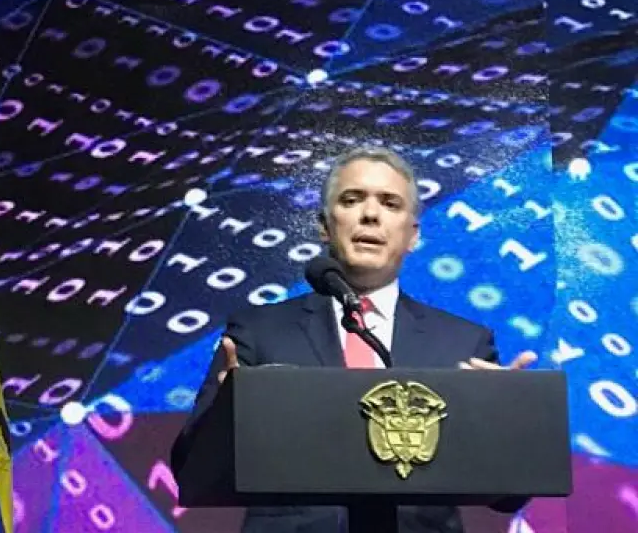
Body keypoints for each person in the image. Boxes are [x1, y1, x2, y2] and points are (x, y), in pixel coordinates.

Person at [170, 146, 537, 533]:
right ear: (324, 226)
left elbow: (508, 498)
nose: (370, 214)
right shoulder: (258, 332)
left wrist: (506, 425)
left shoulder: (463, 343)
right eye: (351, 200)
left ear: (413, 235)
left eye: (390, 203)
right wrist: (224, 418)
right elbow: (191, 472)